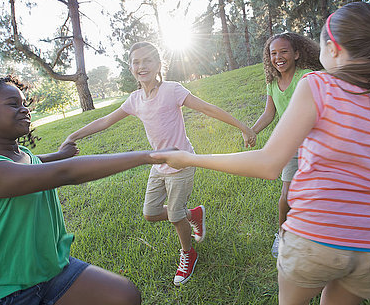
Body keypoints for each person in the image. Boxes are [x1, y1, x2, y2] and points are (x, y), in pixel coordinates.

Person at [152, 2, 370, 304]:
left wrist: (188, 158)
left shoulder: (316, 83)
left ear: (332, 49)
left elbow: (269, 164)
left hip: (316, 239)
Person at [0, 68, 160, 305]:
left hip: (51, 270)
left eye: (24, 103)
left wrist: (60, 154)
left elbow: (35, 163)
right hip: (3, 292)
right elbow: (64, 174)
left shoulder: (22, 154)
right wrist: (148, 156)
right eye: (13, 104)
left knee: (124, 295)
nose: (24, 109)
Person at [59, 41, 256, 286]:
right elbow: (105, 121)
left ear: (158, 64)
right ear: (131, 67)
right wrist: (72, 136)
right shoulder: (134, 100)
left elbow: (208, 109)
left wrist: (244, 128)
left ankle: (188, 252)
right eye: (136, 62)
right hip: (158, 165)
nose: (142, 66)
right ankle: (193, 215)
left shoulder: (172, 90)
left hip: (182, 162)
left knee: (174, 217)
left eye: (147, 60)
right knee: (151, 214)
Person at [251, 32, 322, 257]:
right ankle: (282, 235)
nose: (278, 57)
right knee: (287, 194)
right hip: (290, 145)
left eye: (284, 51)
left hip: (315, 144)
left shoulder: (307, 77)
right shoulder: (273, 83)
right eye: (273, 53)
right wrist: (252, 131)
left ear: (297, 53)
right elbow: (269, 113)